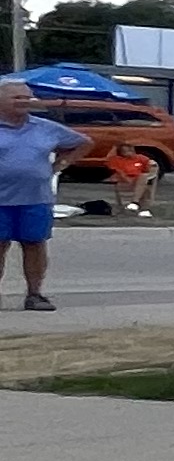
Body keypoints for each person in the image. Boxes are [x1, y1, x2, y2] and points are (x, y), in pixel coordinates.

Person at [0, 80, 93, 310]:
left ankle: (35, 294)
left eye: (26, 97)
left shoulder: (45, 127)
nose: (23, 102)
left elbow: (84, 143)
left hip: (36, 199)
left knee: (35, 245)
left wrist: (62, 164)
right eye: (17, 97)